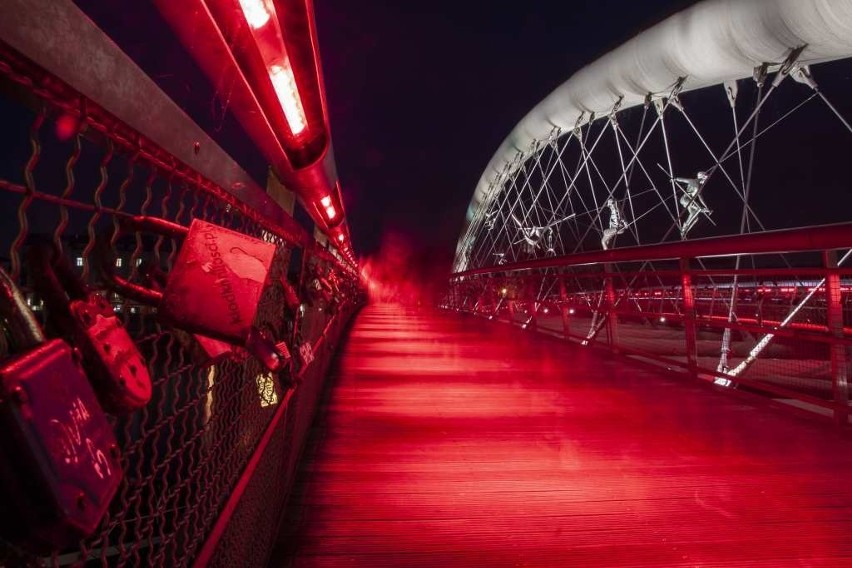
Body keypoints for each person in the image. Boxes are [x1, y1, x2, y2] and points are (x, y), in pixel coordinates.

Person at [674, 171, 712, 237]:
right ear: (703, 178)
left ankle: (685, 231)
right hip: (685, 200)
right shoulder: (697, 185)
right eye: (705, 180)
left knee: (695, 216)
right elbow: (701, 199)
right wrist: (706, 209)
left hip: (688, 201)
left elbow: (683, 180)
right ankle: (684, 227)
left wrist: (675, 179)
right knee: (698, 208)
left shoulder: (693, 181)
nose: (704, 182)